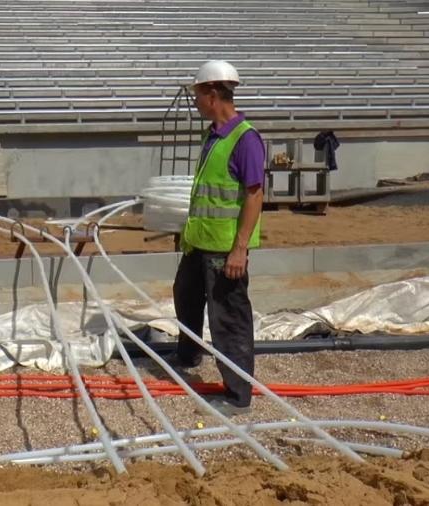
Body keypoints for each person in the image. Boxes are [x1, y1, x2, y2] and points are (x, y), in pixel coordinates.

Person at [172, 61, 265, 417]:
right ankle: (188, 353)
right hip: (200, 243)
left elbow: (254, 195)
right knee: (186, 295)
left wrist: (239, 249)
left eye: (197, 94)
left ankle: (238, 394)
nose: (195, 101)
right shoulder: (214, 134)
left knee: (228, 318)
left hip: (225, 249)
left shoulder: (245, 139)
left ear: (212, 94)